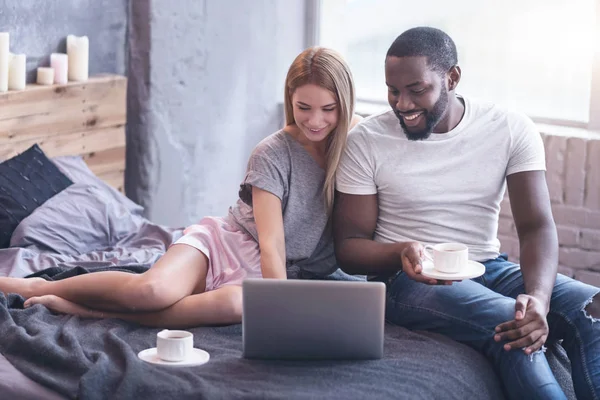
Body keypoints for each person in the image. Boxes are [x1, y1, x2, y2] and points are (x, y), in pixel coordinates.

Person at [0, 46, 361, 329]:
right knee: (152, 290)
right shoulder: (272, 153)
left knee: (234, 305)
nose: (316, 121)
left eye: (328, 109)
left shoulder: (355, 144)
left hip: (277, 275)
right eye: (304, 107)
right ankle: (36, 287)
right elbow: (272, 243)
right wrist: (281, 312)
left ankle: (93, 313)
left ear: (344, 104)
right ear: (289, 100)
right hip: (225, 246)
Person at [333, 27, 599, 400]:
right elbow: (347, 246)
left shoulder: (509, 128)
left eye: (416, 89)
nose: (402, 104)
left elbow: (536, 225)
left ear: (452, 77)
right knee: (512, 323)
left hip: (489, 267)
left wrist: (539, 297)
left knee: (594, 309)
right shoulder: (367, 141)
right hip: (410, 281)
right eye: (393, 91)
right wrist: (401, 250)